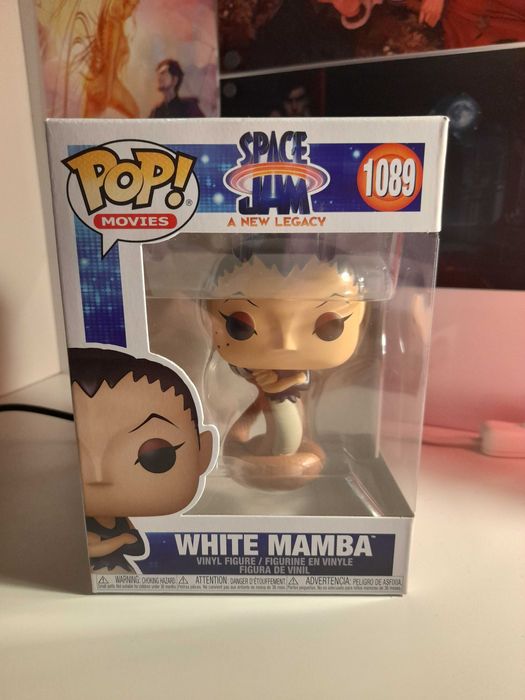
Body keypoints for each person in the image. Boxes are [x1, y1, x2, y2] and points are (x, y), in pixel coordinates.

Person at [207, 234, 366, 489]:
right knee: (283, 439)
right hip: (274, 419)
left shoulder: (293, 376)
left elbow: (296, 384)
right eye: (241, 325)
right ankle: (271, 457)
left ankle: (277, 456)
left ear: (360, 315)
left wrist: (275, 386)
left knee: (287, 436)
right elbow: (269, 392)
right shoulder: (259, 376)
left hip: (286, 412)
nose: (287, 344)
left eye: (329, 325)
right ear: (210, 314)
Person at [69, 348, 214, 572]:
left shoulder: (120, 520)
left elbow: (137, 545)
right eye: (72, 458)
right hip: (94, 575)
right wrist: (121, 541)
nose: (99, 478)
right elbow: (90, 550)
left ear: (202, 453)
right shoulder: (80, 525)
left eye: (155, 456)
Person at [83, 0, 140, 118]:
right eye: (132, 6)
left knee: (88, 122)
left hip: (95, 81)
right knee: (135, 113)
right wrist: (108, 91)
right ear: (123, 3)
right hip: (106, 81)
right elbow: (110, 60)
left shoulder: (109, 22)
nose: (131, 13)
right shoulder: (115, 25)